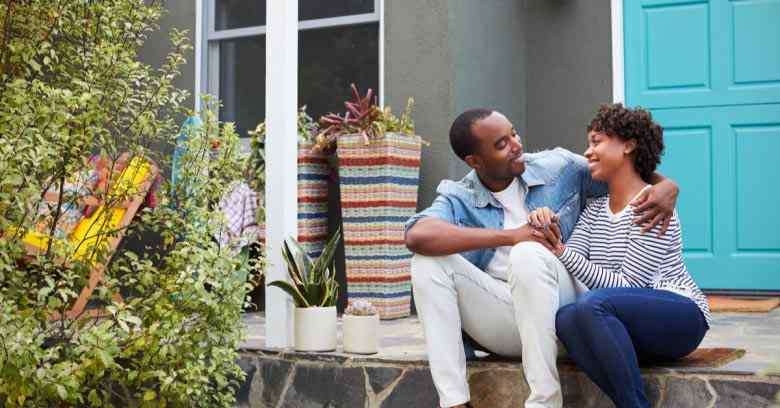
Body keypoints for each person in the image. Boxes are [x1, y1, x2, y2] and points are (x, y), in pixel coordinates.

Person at [404, 108, 681, 408]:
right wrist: (510, 236)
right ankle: (455, 402)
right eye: (501, 144)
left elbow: (621, 167)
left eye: (514, 133)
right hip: (506, 322)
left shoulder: (558, 168)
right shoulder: (459, 196)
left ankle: (544, 402)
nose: (516, 144)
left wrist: (666, 185)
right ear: (475, 161)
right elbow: (417, 235)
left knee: (529, 253)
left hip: (565, 314)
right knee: (427, 262)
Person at [529, 104, 710, 408]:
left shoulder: (651, 207)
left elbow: (631, 284)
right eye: (588, 143)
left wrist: (560, 251)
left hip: (681, 317)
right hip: (627, 326)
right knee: (567, 318)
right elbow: (572, 260)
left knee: (592, 304)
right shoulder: (595, 210)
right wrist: (548, 230)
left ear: (628, 145)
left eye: (596, 141)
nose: (588, 152)